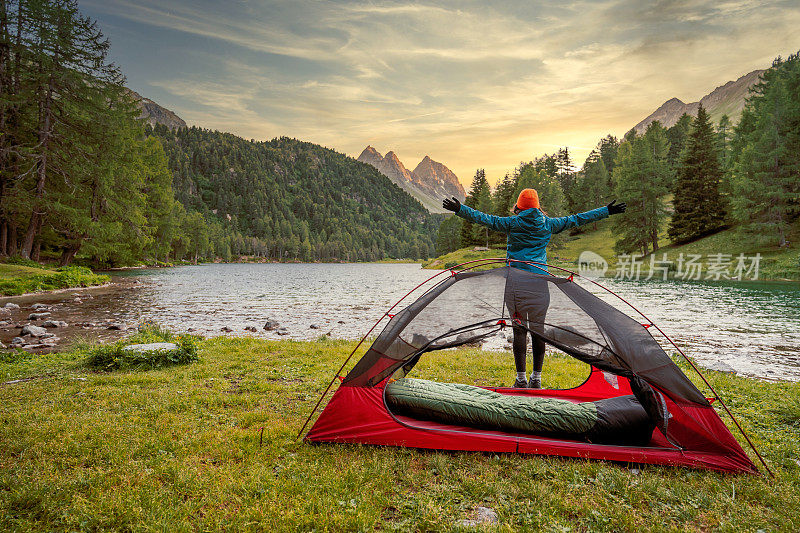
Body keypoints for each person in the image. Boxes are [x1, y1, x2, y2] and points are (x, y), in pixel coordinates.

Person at [442, 189, 626, 388]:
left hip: (515, 286)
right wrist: (606, 210)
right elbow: (578, 219)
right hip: (539, 285)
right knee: (538, 331)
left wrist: (460, 209)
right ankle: (536, 379)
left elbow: (485, 219)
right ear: (538, 206)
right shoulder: (548, 224)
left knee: (519, 331)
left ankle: (521, 379)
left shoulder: (512, 223)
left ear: (518, 206)